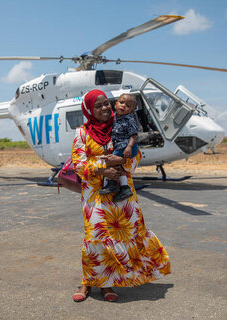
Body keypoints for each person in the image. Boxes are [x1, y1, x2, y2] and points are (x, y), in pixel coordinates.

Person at [71, 89, 170, 302]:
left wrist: (123, 160)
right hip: (95, 194)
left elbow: (136, 159)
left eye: (106, 103)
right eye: (98, 106)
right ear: (89, 110)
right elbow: (78, 165)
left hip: (123, 196)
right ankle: (87, 282)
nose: (105, 108)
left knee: (120, 237)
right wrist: (102, 169)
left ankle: (108, 285)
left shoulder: (122, 124)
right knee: (95, 238)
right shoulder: (82, 134)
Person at [99, 94, 138, 201]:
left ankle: (112, 183)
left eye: (128, 105)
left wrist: (129, 147)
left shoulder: (129, 119)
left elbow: (134, 135)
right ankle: (124, 187)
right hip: (121, 146)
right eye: (121, 102)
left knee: (111, 161)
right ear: (115, 104)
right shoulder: (115, 117)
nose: (123, 106)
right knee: (117, 165)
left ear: (132, 110)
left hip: (126, 147)